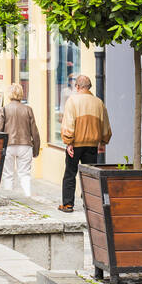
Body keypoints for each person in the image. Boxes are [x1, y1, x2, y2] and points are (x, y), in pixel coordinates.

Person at [58, 74, 112, 213]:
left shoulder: (72, 101)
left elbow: (69, 122)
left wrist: (68, 142)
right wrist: (103, 142)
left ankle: (68, 204)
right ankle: (90, 204)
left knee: (70, 173)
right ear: (89, 87)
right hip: (92, 145)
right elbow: (105, 124)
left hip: (76, 145)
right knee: (89, 176)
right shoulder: (98, 103)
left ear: (77, 86)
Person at [0, 83, 41, 198]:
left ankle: (9, 195)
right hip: (25, 145)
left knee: (8, 173)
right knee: (24, 173)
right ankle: (27, 194)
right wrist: (36, 149)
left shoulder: (4, 110)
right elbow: (34, 131)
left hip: (9, 145)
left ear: (9, 94)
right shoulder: (28, 109)